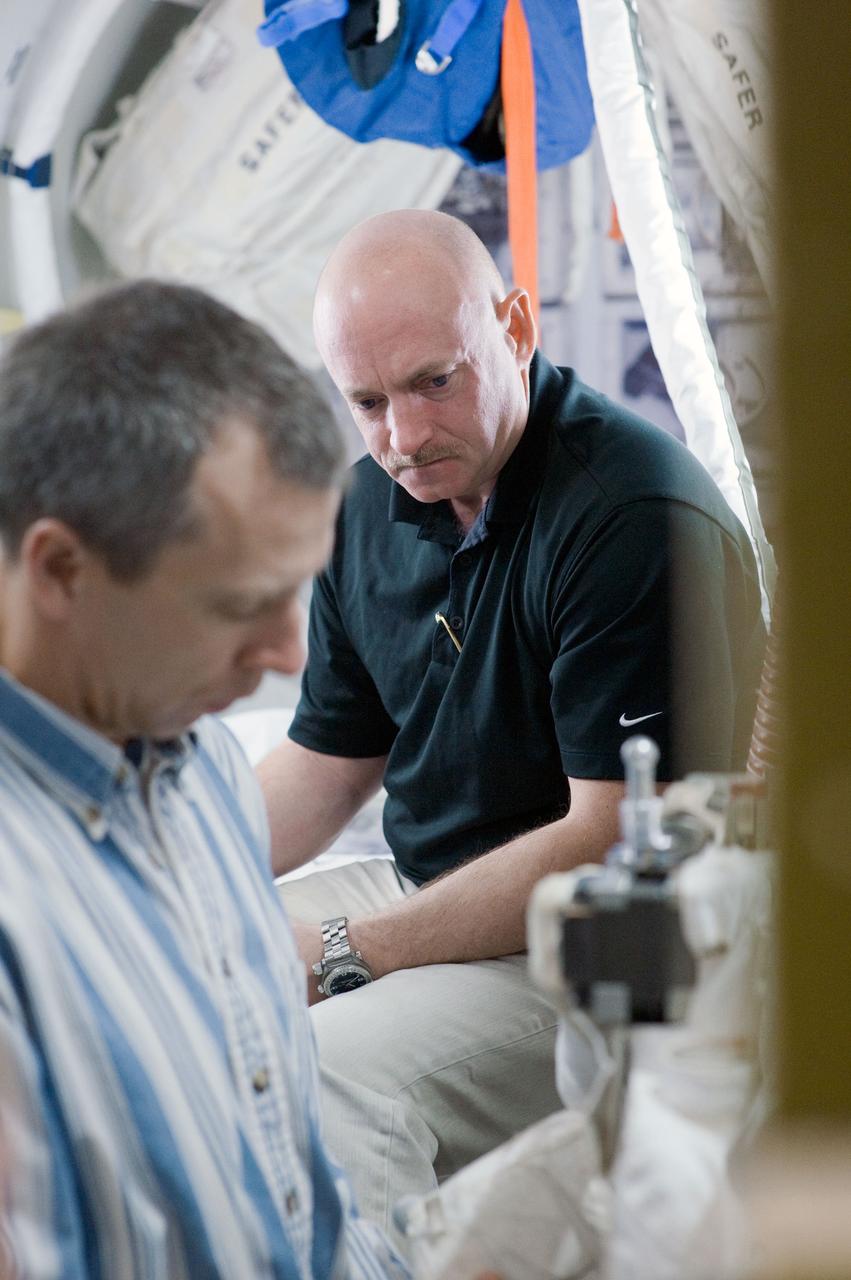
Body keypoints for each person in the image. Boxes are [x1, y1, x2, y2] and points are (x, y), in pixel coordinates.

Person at [257, 209, 767, 1246]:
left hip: (598, 941)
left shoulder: (625, 512)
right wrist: (152, 868)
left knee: (330, 1071)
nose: (401, 435)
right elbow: (323, 760)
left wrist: (350, 948)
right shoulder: (371, 504)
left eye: (433, 381)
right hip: (432, 888)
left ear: (515, 325)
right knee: (197, 962)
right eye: (366, 401)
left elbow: (607, 836)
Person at [0, 281, 411, 1279]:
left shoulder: (203, 767)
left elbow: (290, 1183)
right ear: (60, 570)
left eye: (299, 590)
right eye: (243, 604)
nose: (286, 653)